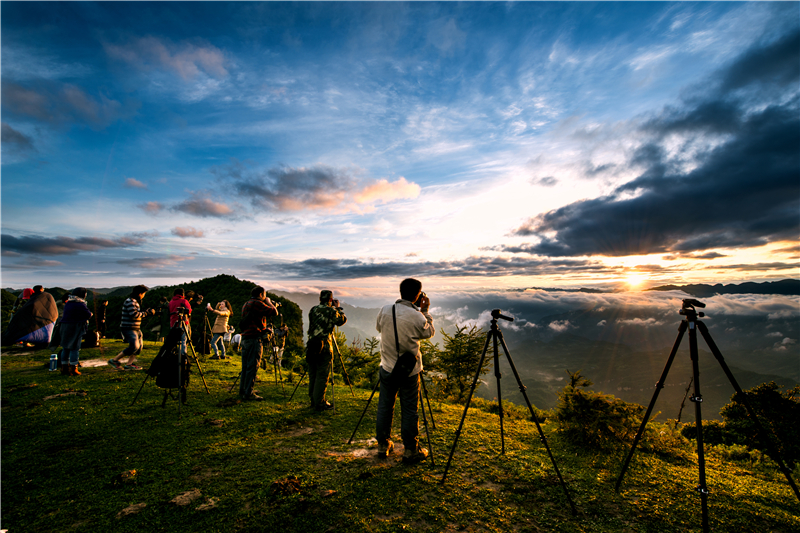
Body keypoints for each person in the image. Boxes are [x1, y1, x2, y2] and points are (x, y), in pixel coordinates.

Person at [375, 278, 435, 463]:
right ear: (417, 295)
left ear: (401, 292)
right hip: (409, 370)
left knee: (385, 406)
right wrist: (425, 311)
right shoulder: (417, 316)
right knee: (409, 409)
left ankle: (383, 445)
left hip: (387, 367)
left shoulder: (385, 310)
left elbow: (379, 328)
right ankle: (410, 450)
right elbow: (429, 332)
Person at [306, 290, 347, 412]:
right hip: (324, 346)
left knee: (313, 373)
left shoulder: (313, 309)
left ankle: (313, 400)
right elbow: (341, 321)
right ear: (330, 300)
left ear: (320, 298)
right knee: (322, 375)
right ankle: (320, 402)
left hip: (312, 344)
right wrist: (338, 308)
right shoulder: (331, 311)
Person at [238, 286, 278, 401]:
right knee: (253, 366)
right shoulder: (257, 303)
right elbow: (274, 312)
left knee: (245, 366)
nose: (265, 297)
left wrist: (264, 328)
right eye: (264, 295)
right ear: (261, 294)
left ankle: (244, 390)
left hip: (245, 338)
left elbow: (253, 321)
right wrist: (269, 302)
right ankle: (249, 393)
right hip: (254, 339)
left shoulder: (246, 304)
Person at [109, 285, 155, 370]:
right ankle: (114, 360)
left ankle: (129, 364)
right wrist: (147, 313)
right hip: (128, 328)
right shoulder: (130, 301)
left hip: (135, 328)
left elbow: (137, 313)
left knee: (139, 347)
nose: (144, 295)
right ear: (140, 293)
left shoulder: (135, 301)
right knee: (134, 346)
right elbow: (135, 315)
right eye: (144, 293)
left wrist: (146, 312)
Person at [59, 288, 93, 376]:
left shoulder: (69, 303)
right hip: (75, 327)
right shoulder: (80, 303)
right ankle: (74, 368)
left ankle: (64, 367)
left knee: (65, 347)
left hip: (64, 326)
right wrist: (91, 314)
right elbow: (88, 314)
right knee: (75, 348)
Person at [168, 288, 193, 356]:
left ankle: (172, 354)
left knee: (173, 340)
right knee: (183, 340)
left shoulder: (171, 302)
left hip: (173, 323)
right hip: (183, 322)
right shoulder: (184, 301)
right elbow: (189, 310)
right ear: (182, 294)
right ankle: (183, 355)